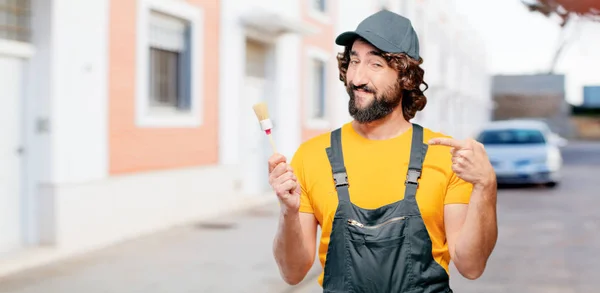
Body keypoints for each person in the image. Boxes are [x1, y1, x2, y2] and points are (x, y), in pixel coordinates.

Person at [268, 9, 498, 292]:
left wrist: (486, 186)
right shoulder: (312, 155)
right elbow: (292, 274)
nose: (357, 78)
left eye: (375, 64)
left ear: (406, 77)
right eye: (353, 61)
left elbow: (471, 266)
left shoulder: (443, 155)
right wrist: (288, 213)